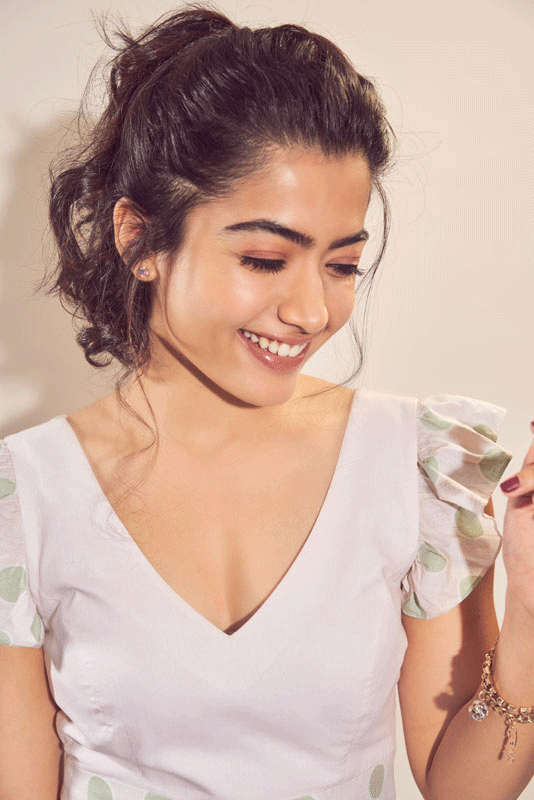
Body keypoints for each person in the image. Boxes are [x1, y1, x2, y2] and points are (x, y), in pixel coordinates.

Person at [0, 6, 533, 800]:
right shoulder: (23, 496)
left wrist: (529, 618)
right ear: (139, 239)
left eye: (341, 266)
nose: (312, 312)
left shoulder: (420, 466)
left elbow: (462, 790)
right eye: (264, 258)